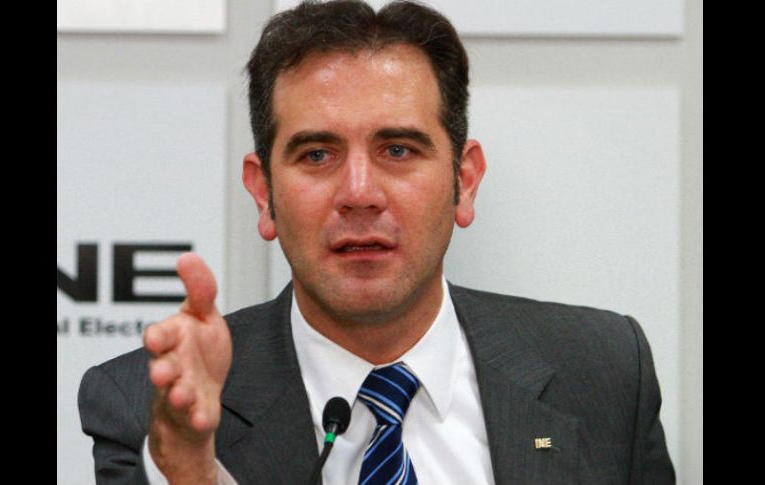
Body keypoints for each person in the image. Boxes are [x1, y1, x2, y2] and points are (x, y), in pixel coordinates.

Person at [77, 1, 675, 484]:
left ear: (464, 182)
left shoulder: (603, 371)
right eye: (317, 154)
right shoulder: (148, 408)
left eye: (398, 150)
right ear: (263, 194)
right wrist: (189, 472)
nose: (359, 193)